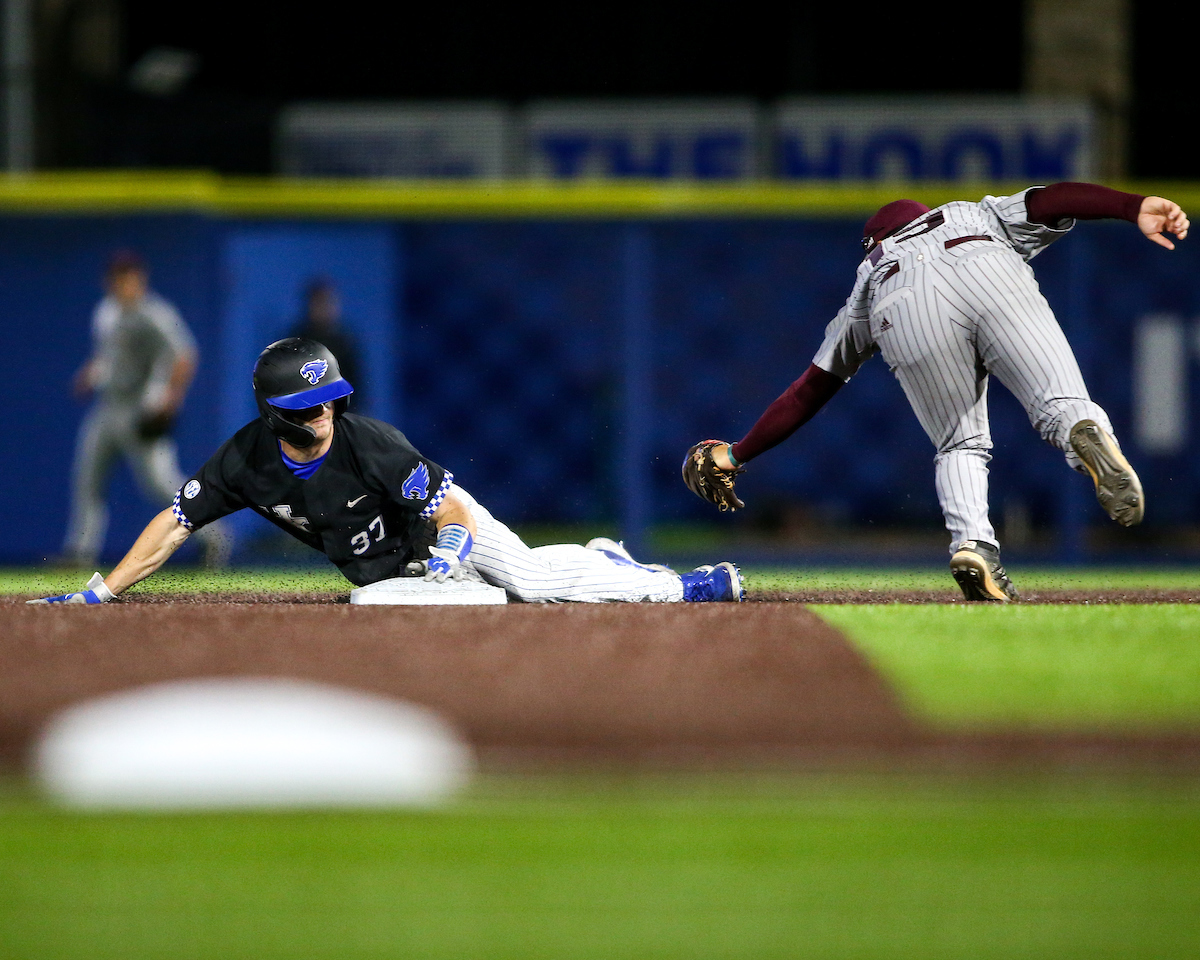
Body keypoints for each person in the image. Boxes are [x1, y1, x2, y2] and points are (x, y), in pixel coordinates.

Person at [683, 182, 1189, 601]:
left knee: (960, 442)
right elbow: (1050, 200)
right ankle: (1082, 429)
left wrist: (737, 452)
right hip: (984, 260)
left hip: (900, 301)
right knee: (1061, 405)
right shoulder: (971, 211)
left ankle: (974, 546)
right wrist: (1133, 206)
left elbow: (809, 389)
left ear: (872, 242)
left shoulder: (869, 275)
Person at [31, 338, 742, 604]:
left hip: (444, 536)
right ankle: (600, 559)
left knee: (530, 584)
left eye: (328, 400)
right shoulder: (244, 460)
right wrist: (102, 591)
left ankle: (686, 585)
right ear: (275, 412)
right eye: (306, 405)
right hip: (389, 573)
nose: (322, 412)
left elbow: (449, 509)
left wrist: (454, 545)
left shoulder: (369, 443)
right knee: (385, 602)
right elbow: (176, 521)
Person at [61, 250, 230, 568]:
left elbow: (185, 354)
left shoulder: (155, 314)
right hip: (107, 406)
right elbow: (107, 357)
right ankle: (79, 552)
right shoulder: (106, 312)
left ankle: (213, 536)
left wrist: (172, 398)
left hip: (140, 409)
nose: (123, 282)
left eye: (128, 276)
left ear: (140, 278)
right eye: (117, 277)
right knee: (87, 479)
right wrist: (90, 374)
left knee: (159, 483)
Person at [291, 278, 364, 410]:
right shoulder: (295, 342)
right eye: (319, 302)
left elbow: (355, 386)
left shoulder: (344, 343)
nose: (324, 308)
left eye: (328, 302)